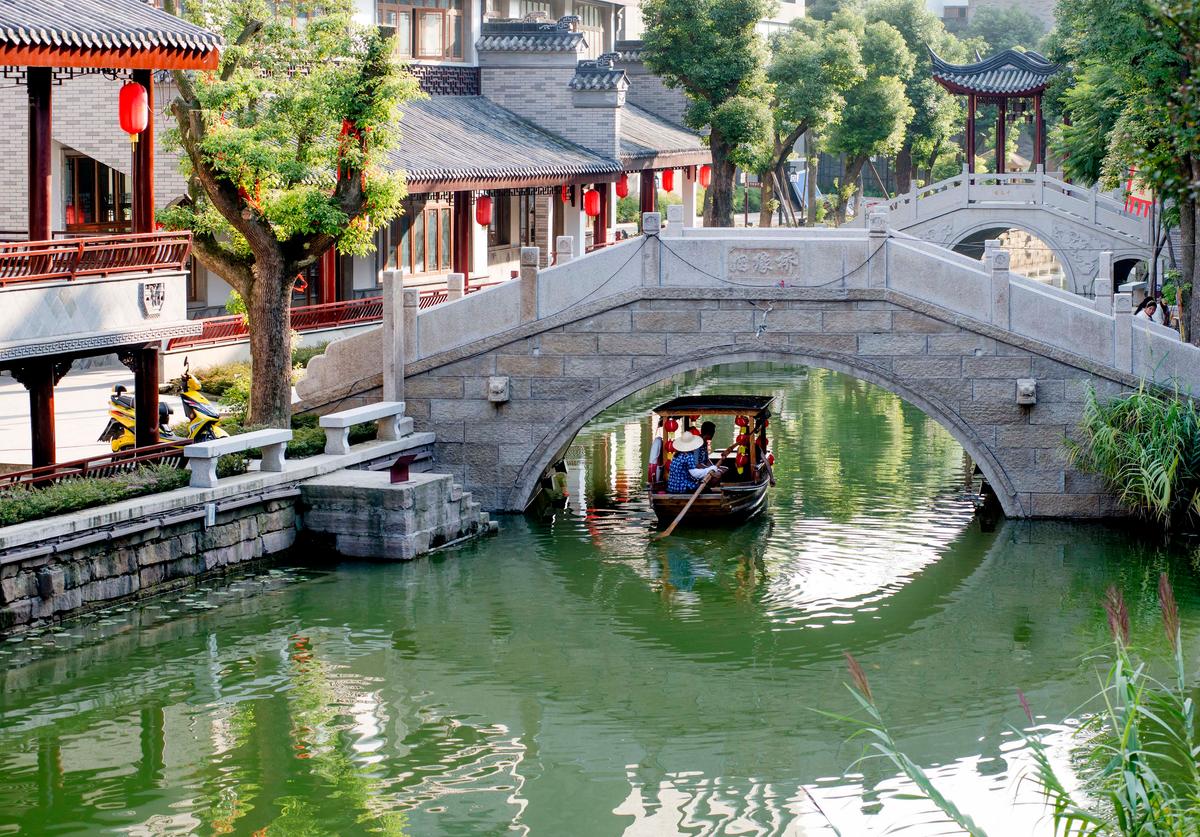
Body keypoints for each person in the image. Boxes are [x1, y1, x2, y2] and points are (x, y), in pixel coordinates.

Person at [667, 429, 724, 494]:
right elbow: (695, 474)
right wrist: (710, 469)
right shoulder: (688, 456)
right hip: (682, 488)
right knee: (707, 490)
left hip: (672, 487)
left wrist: (710, 469)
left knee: (704, 487)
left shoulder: (676, 455)